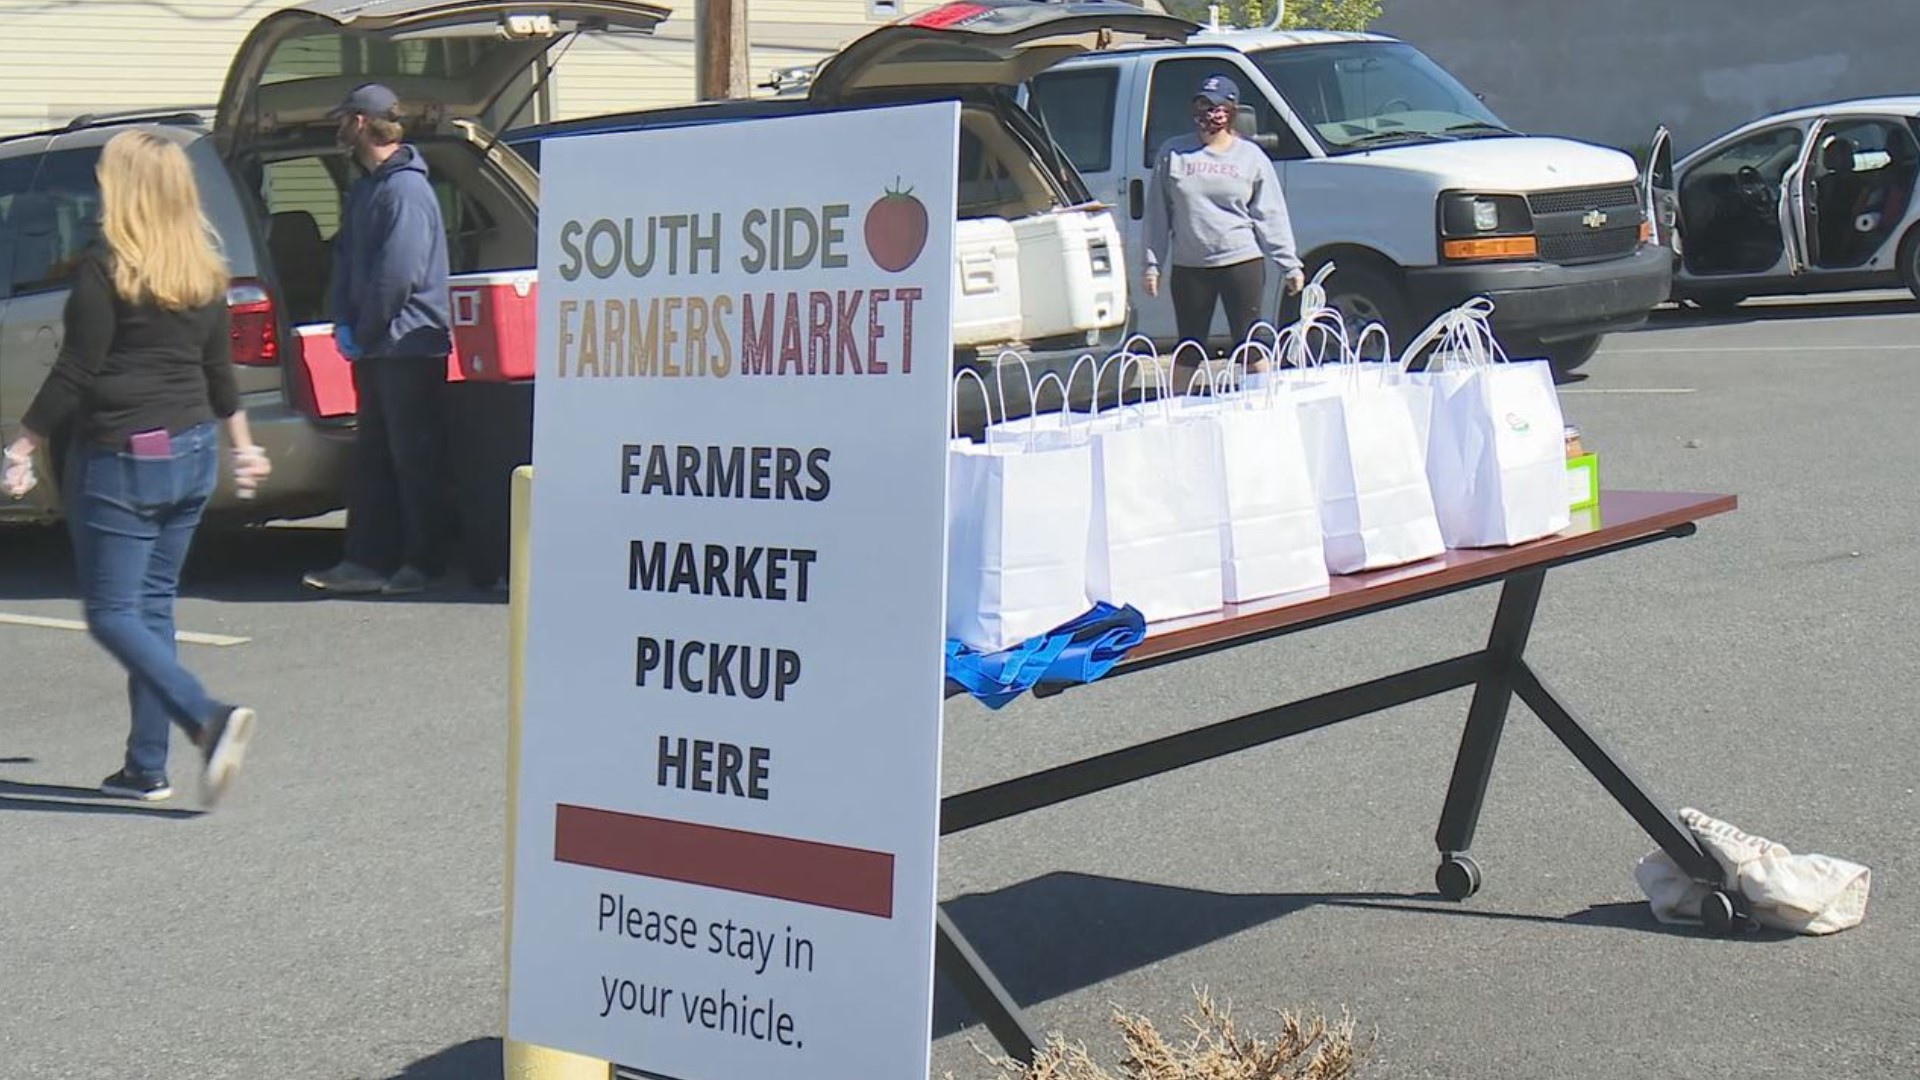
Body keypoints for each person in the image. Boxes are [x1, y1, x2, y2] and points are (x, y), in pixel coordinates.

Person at [1, 130, 269, 804]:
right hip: (192, 451)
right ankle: (146, 766)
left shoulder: (107, 270)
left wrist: (23, 444)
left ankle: (207, 719)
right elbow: (218, 375)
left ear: (126, 191)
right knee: (151, 608)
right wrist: (241, 445)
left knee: (112, 613)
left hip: (122, 457)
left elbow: (75, 370)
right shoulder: (204, 271)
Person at [302, 82, 452, 597]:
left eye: (344, 119)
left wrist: (362, 331)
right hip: (377, 346)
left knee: (413, 461)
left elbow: (398, 275)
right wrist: (342, 320)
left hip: (407, 347)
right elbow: (347, 261)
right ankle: (367, 561)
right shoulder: (367, 188)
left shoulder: (406, 191)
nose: (339, 128)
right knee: (375, 458)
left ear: (361, 123)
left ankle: (424, 564)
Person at [1141, 74, 1306, 391]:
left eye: (1217, 107)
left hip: (1241, 261)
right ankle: (1178, 409)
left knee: (1249, 341)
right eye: (1203, 105)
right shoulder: (1173, 153)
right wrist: (1152, 265)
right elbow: (1158, 214)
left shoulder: (1250, 157)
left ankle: (1262, 402)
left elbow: (1269, 213)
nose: (1209, 114)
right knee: (1190, 346)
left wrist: (1289, 264)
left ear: (1230, 111)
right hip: (1191, 266)